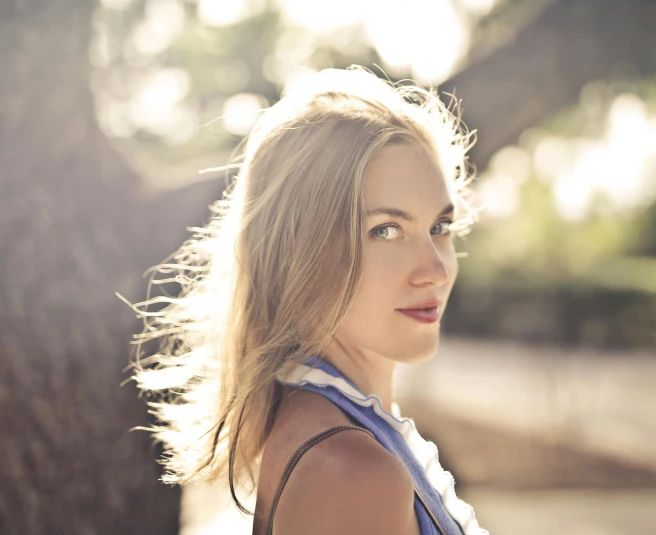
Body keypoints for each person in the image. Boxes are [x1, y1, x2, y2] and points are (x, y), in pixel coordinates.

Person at [126, 65, 487, 534]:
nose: (436, 270)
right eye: (386, 230)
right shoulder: (351, 471)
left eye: (438, 227)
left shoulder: (340, 433)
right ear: (303, 253)